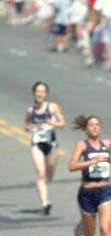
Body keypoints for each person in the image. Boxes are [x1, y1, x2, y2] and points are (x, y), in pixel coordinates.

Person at [24, 82, 65, 215]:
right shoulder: (31, 110)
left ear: (46, 94)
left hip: (51, 145)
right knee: (41, 174)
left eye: (42, 91)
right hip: (37, 145)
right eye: (37, 91)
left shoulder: (52, 107)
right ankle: (45, 203)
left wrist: (53, 123)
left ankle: (46, 187)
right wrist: (27, 127)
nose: (40, 94)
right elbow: (27, 121)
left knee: (49, 175)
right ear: (34, 93)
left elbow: (62, 123)